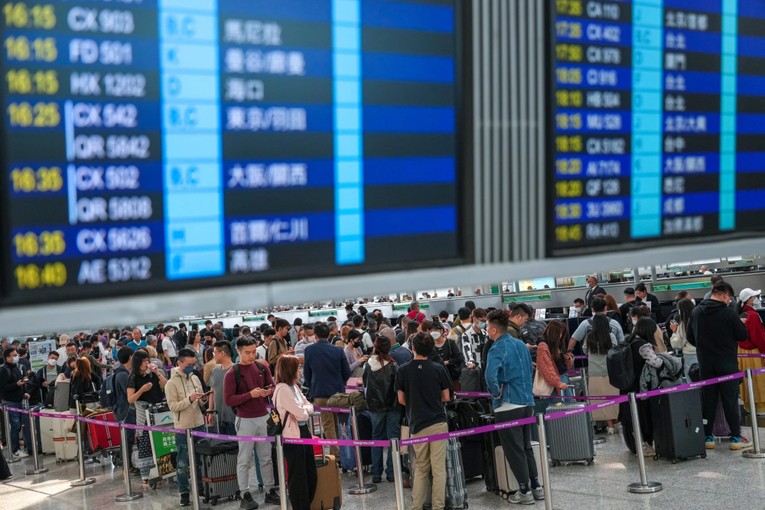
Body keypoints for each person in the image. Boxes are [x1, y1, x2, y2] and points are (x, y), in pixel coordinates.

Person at [484, 308, 543, 504]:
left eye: (487, 326)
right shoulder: (520, 345)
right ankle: (536, 487)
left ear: (493, 330)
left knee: (514, 450)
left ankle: (524, 491)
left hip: (508, 405)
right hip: (527, 402)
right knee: (526, 447)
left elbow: (490, 376)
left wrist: (496, 394)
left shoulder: (496, 348)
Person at [396, 332, 452, 510]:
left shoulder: (403, 370)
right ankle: (438, 506)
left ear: (413, 347)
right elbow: (446, 396)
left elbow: (401, 400)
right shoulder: (438, 368)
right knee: (439, 468)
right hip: (437, 423)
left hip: (417, 424)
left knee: (420, 468)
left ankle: (417, 506)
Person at [223, 335, 280, 509]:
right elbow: (228, 400)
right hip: (245, 420)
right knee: (244, 459)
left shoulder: (262, 367)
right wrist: (250, 395)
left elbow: (272, 386)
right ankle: (244, 493)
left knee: (266, 457)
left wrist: (268, 391)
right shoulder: (232, 373)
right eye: (247, 352)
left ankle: (270, 489)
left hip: (263, 417)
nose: (251, 355)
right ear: (238, 352)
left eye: (254, 351)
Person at [273, 355, 317, 510]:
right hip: (292, 436)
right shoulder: (283, 389)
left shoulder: (295, 387)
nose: (300, 369)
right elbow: (303, 413)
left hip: (303, 431)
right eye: (297, 367)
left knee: (310, 472)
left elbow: (309, 406)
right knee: (298, 476)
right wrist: (303, 410)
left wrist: (303, 410)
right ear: (290, 369)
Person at [166, 348, 209, 507]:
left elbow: (200, 401)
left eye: (194, 364)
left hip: (199, 423)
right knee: (183, 461)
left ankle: (200, 488)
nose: (192, 366)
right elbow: (173, 406)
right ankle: (184, 492)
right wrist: (189, 400)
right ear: (179, 363)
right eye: (189, 364)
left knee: (200, 460)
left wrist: (203, 400)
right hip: (183, 427)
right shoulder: (171, 383)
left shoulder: (195, 378)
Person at [304, 322, 351, 456]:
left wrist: (312, 384)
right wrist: (340, 383)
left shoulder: (309, 350)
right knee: (339, 422)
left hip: (320, 393)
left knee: (328, 423)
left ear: (316, 335)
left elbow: (307, 373)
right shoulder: (337, 350)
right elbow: (346, 371)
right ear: (329, 334)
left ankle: (336, 454)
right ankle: (344, 452)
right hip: (338, 392)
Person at [127, 349, 168, 484]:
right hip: (143, 413)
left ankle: (165, 470)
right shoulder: (133, 377)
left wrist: (157, 372)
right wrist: (142, 390)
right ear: (138, 362)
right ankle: (146, 475)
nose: (147, 363)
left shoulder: (154, 373)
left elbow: (167, 386)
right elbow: (130, 399)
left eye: (148, 360)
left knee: (161, 440)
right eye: (144, 361)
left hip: (158, 410)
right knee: (145, 441)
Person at [363, 335, 400, 483]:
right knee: (393, 439)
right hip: (393, 407)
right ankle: (391, 472)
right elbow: (397, 387)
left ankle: (376, 473)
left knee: (376, 438)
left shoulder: (368, 365)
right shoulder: (393, 365)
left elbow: (365, 386)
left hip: (374, 407)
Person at [618, 318, 655, 455]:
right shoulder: (643, 345)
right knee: (643, 415)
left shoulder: (627, 341)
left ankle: (634, 445)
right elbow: (655, 362)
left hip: (625, 385)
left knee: (629, 415)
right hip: (640, 386)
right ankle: (645, 445)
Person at [584, 315, 619, 433]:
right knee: (613, 399)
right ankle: (613, 423)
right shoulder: (611, 336)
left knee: (600, 401)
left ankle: (609, 425)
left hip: (594, 373)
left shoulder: (589, 338)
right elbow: (616, 351)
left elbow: (585, 350)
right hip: (610, 372)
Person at [534, 321, 574, 413]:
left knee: (569, 407)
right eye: (560, 333)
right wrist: (557, 383)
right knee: (559, 410)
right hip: (554, 383)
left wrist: (568, 360)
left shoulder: (557, 345)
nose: (561, 336)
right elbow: (546, 369)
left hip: (562, 379)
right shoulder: (543, 346)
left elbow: (562, 366)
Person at [737, 288, 765, 415]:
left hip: (742, 352)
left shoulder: (740, 314)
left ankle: (749, 405)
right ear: (749, 299)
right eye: (754, 296)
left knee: (747, 380)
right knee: (758, 380)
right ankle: (760, 407)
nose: (756, 298)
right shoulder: (753, 315)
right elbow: (758, 336)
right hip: (753, 352)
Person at [0, 347, 32, 458]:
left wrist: (25, 392)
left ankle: (18, 448)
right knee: (15, 425)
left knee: (19, 426)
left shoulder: (16, 368)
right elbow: (2, 388)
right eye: (13, 355)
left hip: (19, 400)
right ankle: (14, 450)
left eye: (16, 355)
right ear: (7, 357)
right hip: (10, 402)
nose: (16, 357)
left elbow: (21, 381)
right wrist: (16, 385)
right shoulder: (4, 370)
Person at [209, 341, 236, 435]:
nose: (213, 356)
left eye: (214, 353)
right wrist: (210, 410)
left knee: (235, 446)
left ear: (222, 353)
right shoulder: (215, 371)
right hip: (218, 416)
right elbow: (212, 391)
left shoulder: (236, 370)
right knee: (222, 446)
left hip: (234, 417)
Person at [428, 321, 464, 388]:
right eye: (431, 330)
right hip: (436, 377)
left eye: (435, 330)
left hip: (452, 376)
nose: (433, 332)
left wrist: (447, 362)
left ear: (442, 330)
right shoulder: (429, 346)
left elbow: (459, 358)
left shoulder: (450, 343)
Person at [669, 299, 697, 380]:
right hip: (703, 354)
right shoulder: (699, 320)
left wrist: (674, 331)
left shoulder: (683, 324)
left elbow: (677, 344)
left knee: (692, 381)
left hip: (690, 355)